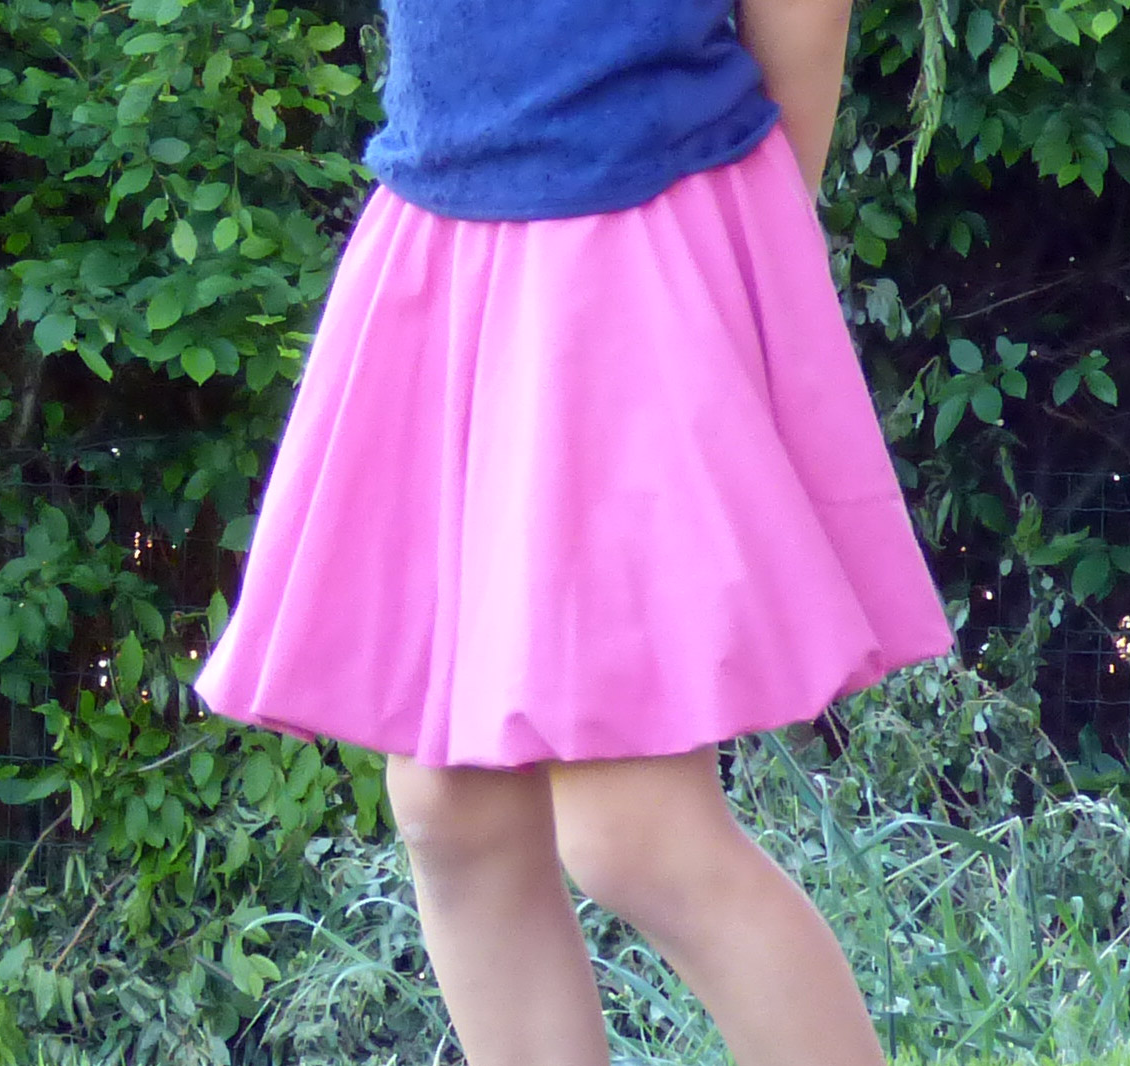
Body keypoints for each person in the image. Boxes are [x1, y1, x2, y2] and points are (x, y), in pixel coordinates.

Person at [194, 0, 955, 1062]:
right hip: (448, 229)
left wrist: (757, 248)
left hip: (632, 232)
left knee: (635, 832)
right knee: (454, 811)